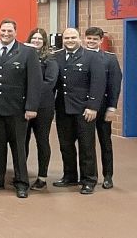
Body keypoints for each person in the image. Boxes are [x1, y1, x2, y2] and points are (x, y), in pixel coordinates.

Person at [0, 19, 41, 199]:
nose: (6, 34)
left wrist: (31, 107)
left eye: (9, 31)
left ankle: (22, 182)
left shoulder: (27, 52)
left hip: (18, 110)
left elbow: (34, 82)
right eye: (3, 31)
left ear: (15, 32)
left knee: (18, 148)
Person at [54, 28, 105, 195]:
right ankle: (69, 175)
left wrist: (93, 106)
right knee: (65, 145)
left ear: (79, 38)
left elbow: (98, 84)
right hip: (63, 109)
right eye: (67, 37)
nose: (69, 40)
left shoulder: (92, 57)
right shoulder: (57, 56)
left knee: (86, 146)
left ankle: (89, 179)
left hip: (84, 109)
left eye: (73, 37)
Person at [85, 27, 122, 189]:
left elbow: (114, 84)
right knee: (87, 144)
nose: (91, 42)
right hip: (84, 108)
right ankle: (88, 175)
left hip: (103, 107)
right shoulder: (79, 56)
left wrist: (112, 107)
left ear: (101, 41)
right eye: (89, 38)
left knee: (105, 142)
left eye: (95, 39)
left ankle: (108, 176)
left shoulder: (109, 59)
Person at [24, 28, 58, 191]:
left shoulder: (50, 59)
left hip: (43, 106)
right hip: (24, 106)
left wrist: (32, 93)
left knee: (42, 140)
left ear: (44, 41)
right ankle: (21, 174)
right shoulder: (24, 55)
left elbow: (49, 83)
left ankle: (42, 177)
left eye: (40, 38)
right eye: (34, 38)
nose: (36, 40)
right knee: (22, 141)